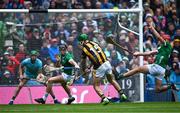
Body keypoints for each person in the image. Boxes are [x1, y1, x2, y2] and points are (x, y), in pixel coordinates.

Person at [117, 24, 179, 92]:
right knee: (158, 89)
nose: (161, 41)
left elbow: (158, 37)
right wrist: (138, 54)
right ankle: (170, 86)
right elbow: (149, 53)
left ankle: (122, 76)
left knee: (138, 69)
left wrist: (152, 29)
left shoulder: (167, 45)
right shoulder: (161, 48)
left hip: (157, 67)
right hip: (161, 71)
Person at [77, 34, 127, 105]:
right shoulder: (95, 43)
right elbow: (95, 56)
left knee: (96, 86)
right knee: (112, 80)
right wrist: (89, 67)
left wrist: (84, 69)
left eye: (80, 42)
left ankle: (104, 98)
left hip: (99, 67)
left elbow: (83, 62)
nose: (79, 43)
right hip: (107, 63)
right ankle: (122, 94)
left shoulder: (84, 49)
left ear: (82, 41)